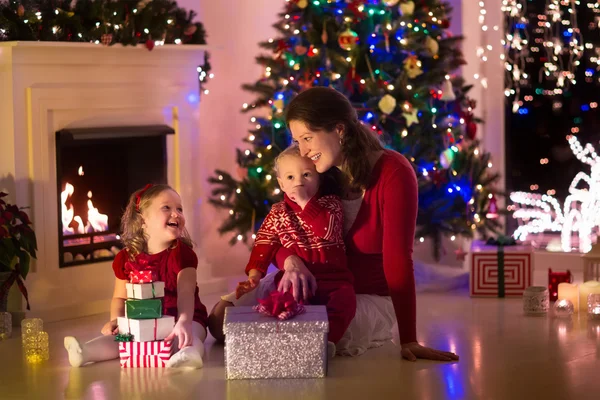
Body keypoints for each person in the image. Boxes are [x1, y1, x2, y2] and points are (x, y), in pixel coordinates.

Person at [210, 87, 459, 362]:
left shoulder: (394, 173)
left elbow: (398, 260)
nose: (302, 150)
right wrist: (291, 261)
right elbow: (283, 229)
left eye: (307, 138)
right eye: (297, 141)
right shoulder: (319, 174)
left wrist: (409, 338)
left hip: (358, 298)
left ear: (339, 130)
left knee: (301, 335)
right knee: (222, 320)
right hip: (308, 283)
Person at [212, 146, 356, 353]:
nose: (298, 181)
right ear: (281, 184)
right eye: (290, 177)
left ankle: (326, 342)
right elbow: (264, 243)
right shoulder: (278, 212)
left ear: (319, 178)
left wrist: (306, 203)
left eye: (307, 175)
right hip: (295, 279)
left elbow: (328, 230)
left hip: (334, 278)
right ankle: (290, 342)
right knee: (286, 302)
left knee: (345, 302)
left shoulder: (330, 204)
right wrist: (254, 274)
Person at [64, 184, 208, 368]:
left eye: (179, 208)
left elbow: (186, 294)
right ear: (142, 220)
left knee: (190, 335)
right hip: (143, 321)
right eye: (167, 207)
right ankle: (84, 352)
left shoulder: (182, 255)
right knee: (122, 339)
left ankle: (190, 354)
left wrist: (184, 321)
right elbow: (120, 297)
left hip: (184, 317)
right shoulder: (126, 258)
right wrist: (116, 321)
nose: (176, 213)